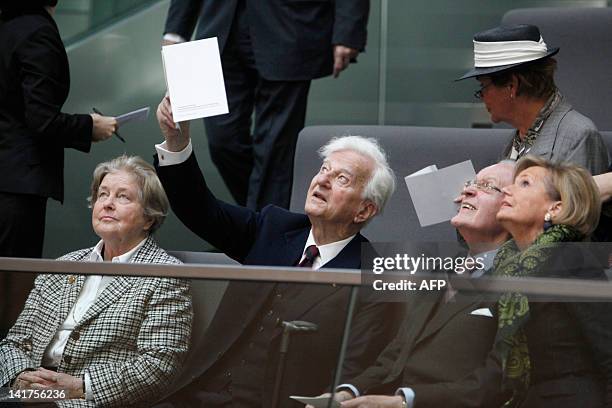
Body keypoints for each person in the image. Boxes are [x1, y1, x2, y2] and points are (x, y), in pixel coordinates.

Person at [154, 96, 396, 407]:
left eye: (341, 179)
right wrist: (177, 141)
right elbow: (200, 211)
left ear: (364, 211)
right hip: (195, 395)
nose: (322, 180)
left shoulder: (373, 275)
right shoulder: (274, 228)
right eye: (324, 169)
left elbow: (356, 368)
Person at [0, 156, 193, 407]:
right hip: (26, 397)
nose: (108, 204)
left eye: (123, 197)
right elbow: (15, 340)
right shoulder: (62, 265)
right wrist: (21, 378)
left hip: (90, 400)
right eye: (103, 194)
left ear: (149, 218)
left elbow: (158, 365)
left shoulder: (166, 274)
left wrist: (79, 387)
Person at [318, 162, 514, 408]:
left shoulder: (518, 282)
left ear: (512, 207)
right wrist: (346, 393)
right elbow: (395, 356)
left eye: (487, 186)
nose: (467, 191)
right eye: (470, 184)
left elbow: (495, 381)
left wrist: (403, 402)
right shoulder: (437, 273)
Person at [162, 0, 370, 210]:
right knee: (223, 142)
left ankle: (262, 231)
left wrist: (348, 29)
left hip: (290, 25)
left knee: (275, 150)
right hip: (221, 28)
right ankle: (266, 221)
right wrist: (175, 32)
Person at [0, 0, 118, 338]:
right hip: (17, 185)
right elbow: (41, 119)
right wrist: (89, 127)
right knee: (10, 297)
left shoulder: (7, 25)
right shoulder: (37, 32)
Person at [493, 155, 612, 407]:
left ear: (555, 208)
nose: (507, 189)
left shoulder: (571, 260)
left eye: (524, 183)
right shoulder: (506, 266)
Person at [457, 24, 609, 175]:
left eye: (483, 86)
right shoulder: (518, 139)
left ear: (512, 85)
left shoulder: (578, 136)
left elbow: (577, 199)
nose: (481, 96)